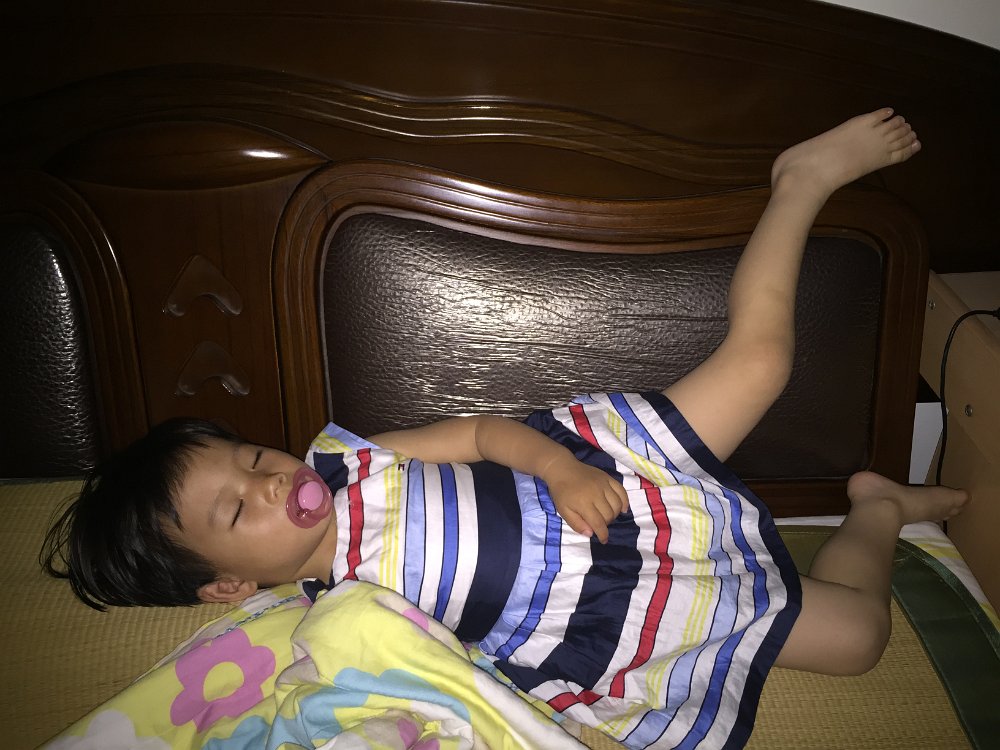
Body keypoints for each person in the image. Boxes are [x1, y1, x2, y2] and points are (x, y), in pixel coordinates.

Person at [42, 109, 968, 749]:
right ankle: (879, 510)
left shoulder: (354, 462)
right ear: (231, 585)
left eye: (251, 457)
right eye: (241, 509)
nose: (272, 481)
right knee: (857, 640)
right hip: (623, 618)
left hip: (611, 478)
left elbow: (484, 432)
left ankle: (799, 183)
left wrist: (558, 470)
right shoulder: (337, 620)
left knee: (760, 363)